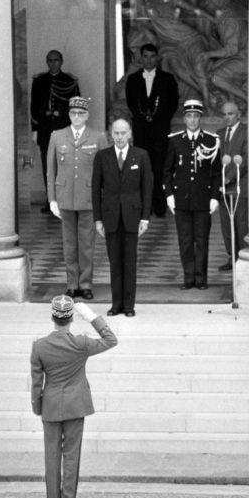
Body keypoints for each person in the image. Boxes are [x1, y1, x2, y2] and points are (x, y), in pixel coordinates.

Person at [30, 295, 117, 498]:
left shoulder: (40, 346)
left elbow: (36, 381)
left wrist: (38, 407)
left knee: (51, 455)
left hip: (50, 404)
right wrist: (91, 317)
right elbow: (110, 340)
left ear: (53, 317)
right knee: (71, 454)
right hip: (75, 405)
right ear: (70, 318)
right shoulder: (81, 343)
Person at [47, 96, 108, 300]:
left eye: (81, 113)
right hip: (65, 197)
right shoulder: (57, 136)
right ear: (69, 114)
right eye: (73, 113)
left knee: (87, 244)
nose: (77, 117)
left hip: (88, 198)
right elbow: (50, 169)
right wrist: (52, 199)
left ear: (87, 115)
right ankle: (72, 284)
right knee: (69, 244)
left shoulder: (98, 137)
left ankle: (85, 283)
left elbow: (104, 172)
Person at [92, 118, 152, 317]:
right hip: (109, 217)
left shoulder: (141, 155)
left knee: (130, 262)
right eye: (116, 133)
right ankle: (115, 304)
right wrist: (97, 219)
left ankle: (129, 306)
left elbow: (147, 189)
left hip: (132, 216)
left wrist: (145, 218)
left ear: (130, 134)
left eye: (123, 133)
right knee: (114, 262)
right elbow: (95, 190)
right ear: (111, 134)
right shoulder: (102, 157)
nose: (119, 137)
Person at [163, 100, 221, 290]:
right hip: (182, 200)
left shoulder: (211, 140)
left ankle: (201, 279)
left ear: (200, 118)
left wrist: (214, 197)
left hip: (203, 199)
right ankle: (188, 278)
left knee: (202, 241)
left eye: (196, 116)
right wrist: (169, 195)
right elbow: (167, 170)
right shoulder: (175, 140)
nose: (193, 120)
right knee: (185, 241)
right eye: (189, 116)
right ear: (184, 118)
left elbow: (216, 172)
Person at [125, 43, 178, 217]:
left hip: (160, 130)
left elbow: (173, 103)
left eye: (152, 56)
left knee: (160, 167)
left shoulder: (167, 79)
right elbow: (131, 103)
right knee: (142, 168)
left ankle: (159, 204)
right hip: (141, 130)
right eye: (145, 56)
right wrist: (144, 117)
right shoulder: (133, 79)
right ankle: (143, 206)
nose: (149, 60)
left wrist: (157, 118)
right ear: (141, 58)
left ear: (157, 58)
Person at [30, 50, 80, 212]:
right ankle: (51, 201)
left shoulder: (69, 81)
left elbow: (76, 107)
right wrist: (35, 128)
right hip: (45, 129)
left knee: (65, 165)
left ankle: (65, 200)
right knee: (48, 166)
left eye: (56, 60)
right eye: (50, 60)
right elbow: (34, 106)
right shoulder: (39, 81)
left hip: (64, 128)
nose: (53, 63)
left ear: (61, 62)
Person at [217, 101, 248, 272]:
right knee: (226, 225)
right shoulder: (219, 133)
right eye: (224, 114)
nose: (227, 117)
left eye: (230, 114)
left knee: (240, 223)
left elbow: (246, 159)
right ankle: (232, 257)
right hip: (222, 188)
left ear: (238, 115)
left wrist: (229, 178)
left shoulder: (246, 132)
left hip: (239, 186)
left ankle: (243, 257)